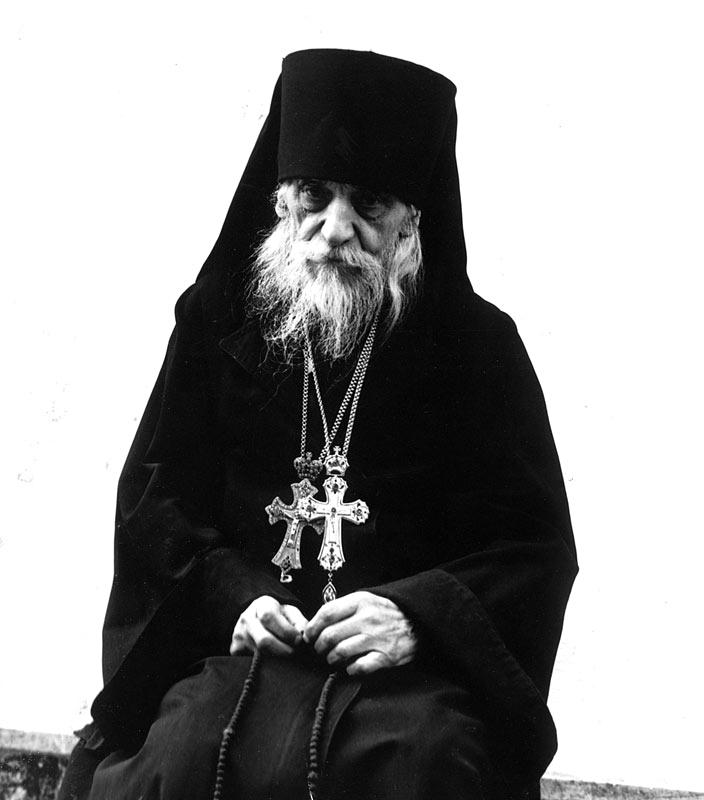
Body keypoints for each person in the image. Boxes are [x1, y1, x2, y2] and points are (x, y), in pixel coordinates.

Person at [59, 49, 577, 800]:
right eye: (314, 196)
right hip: (235, 656)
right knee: (182, 755)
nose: (336, 229)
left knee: (418, 766)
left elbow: (529, 547)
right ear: (281, 203)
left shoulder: (477, 348)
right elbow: (157, 505)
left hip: (407, 683)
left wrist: (415, 617)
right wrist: (235, 598)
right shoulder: (216, 322)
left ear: (412, 223)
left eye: (368, 204)